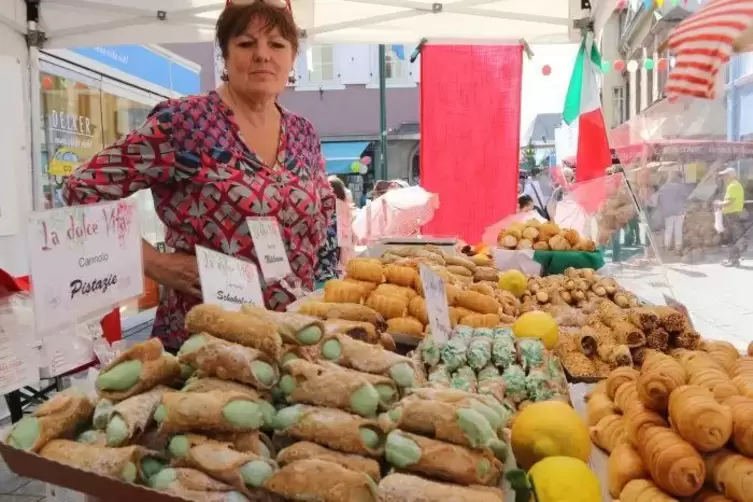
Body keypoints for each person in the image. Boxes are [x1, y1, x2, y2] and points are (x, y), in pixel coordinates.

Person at [63, 1, 334, 353]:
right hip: (206, 339)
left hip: (291, 337)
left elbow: (321, 223)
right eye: (246, 43)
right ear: (224, 54)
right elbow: (82, 189)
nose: (263, 55)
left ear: (293, 58)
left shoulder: (304, 133)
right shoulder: (185, 122)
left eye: (277, 44)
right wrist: (154, 262)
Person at [715, 167, 747, 266]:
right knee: (732, 237)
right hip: (733, 214)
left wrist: (719, 204)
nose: (723, 178)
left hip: (732, 215)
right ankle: (731, 258)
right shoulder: (735, 185)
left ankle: (733, 260)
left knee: (732, 238)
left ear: (729, 176)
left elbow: (729, 202)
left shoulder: (733, 186)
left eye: (725, 176)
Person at [652, 169, 689, 254]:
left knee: (669, 229)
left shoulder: (665, 187)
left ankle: (667, 246)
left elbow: (657, 198)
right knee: (678, 229)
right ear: (679, 178)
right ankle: (678, 247)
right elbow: (686, 197)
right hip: (679, 211)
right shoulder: (681, 187)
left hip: (668, 212)